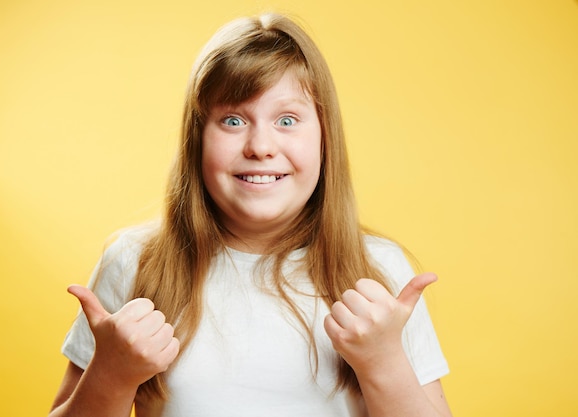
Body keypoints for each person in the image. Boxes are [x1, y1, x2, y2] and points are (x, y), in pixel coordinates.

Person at [49, 12, 452, 417]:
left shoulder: (377, 271)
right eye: (233, 120)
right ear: (197, 140)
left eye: (287, 120)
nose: (260, 146)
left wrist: (385, 363)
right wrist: (111, 375)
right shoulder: (135, 262)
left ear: (325, 138)